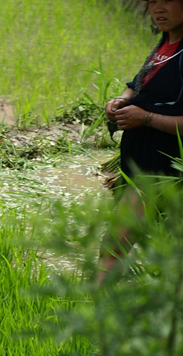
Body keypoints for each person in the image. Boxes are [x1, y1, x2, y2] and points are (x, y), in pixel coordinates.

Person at [100, 0, 183, 278]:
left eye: (168, 0)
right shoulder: (165, 45)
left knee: (114, 247)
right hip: (140, 166)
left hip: (164, 173)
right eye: (153, 1)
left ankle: (92, 315)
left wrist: (146, 118)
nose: (159, 8)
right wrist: (120, 103)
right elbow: (137, 85)